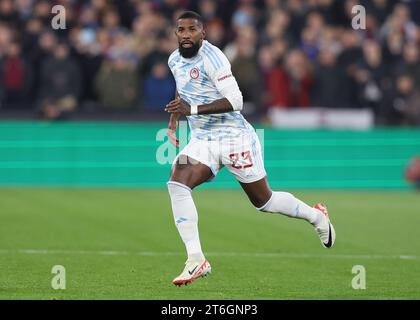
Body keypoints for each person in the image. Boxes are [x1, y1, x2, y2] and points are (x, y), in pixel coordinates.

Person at [164, 11, 336, 286]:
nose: (186, 35)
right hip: (204, 139)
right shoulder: (174, 60)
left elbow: (236, 100)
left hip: (234, 137)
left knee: (264, 202)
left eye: (192, 30)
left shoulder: (214, 58)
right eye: (181, 30)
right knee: (177, 182)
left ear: (203, 33)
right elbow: (182, 90)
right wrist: (173, 124)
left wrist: (193, 110)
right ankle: (196, 259)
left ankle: (316, 216)